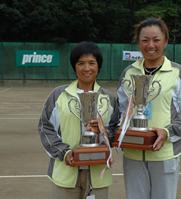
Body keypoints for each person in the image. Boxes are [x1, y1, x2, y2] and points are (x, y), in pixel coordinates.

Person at [116, 17, 181, 199]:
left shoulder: (179, 73)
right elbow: (121, 108)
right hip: (133, 153)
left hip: (164, 153)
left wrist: (168, 132)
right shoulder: (128, 73)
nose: (150, 45)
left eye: (156, 40)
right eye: (145, 40)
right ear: (138, 42)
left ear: (166, 41)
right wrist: (118, 133)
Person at [38, 41, 119, 199]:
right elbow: (45, 128)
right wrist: (64, 151)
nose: (86, 68)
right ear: (74, 67)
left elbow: (115, 131)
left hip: (98, 176)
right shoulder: (58, 95)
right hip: (65, 175)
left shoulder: (108, 99)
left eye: (91, 63)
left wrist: (103, 131)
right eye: (81, 63)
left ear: (98, 66)